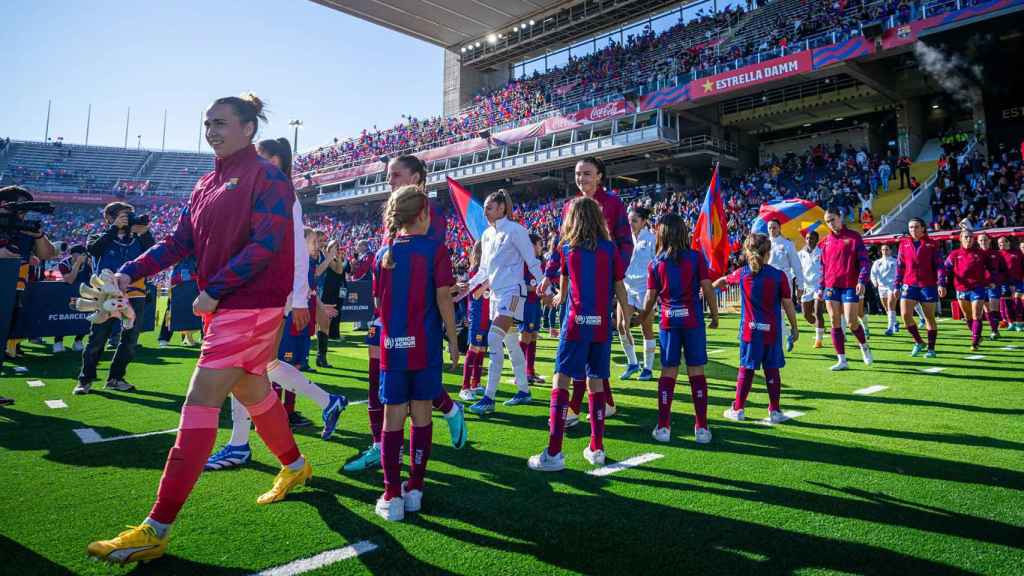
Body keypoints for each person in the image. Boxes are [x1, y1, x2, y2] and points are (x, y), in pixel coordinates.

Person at [87, 94, 311, 563]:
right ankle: (295, 465)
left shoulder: (269, 178)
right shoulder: (206, 183)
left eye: (221, 123)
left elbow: (267, 244)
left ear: (249, 128)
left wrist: (217, 288)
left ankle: (157, 527)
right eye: (207, 123)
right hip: (228, 306)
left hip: (249, 305)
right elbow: (178, 242)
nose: (211, 130)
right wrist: (131, 271)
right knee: (252, 389)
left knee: (200, 401)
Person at [344, 155, 467, 473]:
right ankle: (380, 446)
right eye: (388, 177)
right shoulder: (392, 213)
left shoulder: (430, 214)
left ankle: (447, 410)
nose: (390, 181)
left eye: (396, 175)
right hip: (387, 314)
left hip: (417, 317)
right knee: (380, 380)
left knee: (411, 388)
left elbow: (429, 273)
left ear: (418, 177)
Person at [205, 224, 349, 471]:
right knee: (264, 365)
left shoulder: (292, 255)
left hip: (267, 304)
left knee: (243, 367)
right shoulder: (290, 252)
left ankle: (240, 444)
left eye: (316, 242)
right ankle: (328, 401)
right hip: (271, 303)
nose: (316, 246)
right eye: (313, 242)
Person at [372, 185, 460, 521]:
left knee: (392, 417)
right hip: (425, 346)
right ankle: (416, 490)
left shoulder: (384, 254)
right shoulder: (435, 250)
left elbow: (380, 303)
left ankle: (391, 494)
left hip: (393, 348)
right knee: (422, 412)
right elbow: (442, 300)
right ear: (423, 215)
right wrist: (453, 340)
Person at [528, 197, 631, 471]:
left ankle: (554, 453)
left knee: (561, 380)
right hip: (600, 325)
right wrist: (626, 313)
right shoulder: (610, 250)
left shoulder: (567, 249)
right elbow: (620, 286)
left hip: (575, 324)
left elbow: (564, 288)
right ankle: (596, 447)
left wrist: (558, 297)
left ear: (572, 220)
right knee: (596, 382)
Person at [541, 157, 633, 421]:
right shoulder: (570, 205)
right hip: (574, 290)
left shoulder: (614, 203)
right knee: (582, 346)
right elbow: (562, 244)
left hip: (601, 288)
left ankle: (572, 409)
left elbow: (626, 244)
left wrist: (613, 273)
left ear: (600, 176)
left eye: (587, 174)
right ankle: (605, 403)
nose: (582, 179)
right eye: (578, 174)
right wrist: (550, 276)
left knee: (587, 345)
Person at [638, 214, 718, 444]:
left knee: (668, 371)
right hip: (693, 322)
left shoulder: (655, 263)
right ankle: (701, 428)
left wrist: (641, 317)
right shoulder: (695, 258)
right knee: (696, 371)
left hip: (668, 323)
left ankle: (663, 427)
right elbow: (707, 288)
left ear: (661, 234)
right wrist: (714, 314)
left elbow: (650, 297)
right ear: (683, 232)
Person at [463, 190, 543, 414]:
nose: (485, 211)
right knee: (509, 342)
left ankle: (489, 397)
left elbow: (532, 261)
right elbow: (483, 271)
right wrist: (465, 288)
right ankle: (524, 391)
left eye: (489, 207)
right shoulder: (487, 234)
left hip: (515, 295)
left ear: (501, 208)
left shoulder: (516, 230)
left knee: (493, 338)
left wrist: (546, 283)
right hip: (497, 296)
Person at [714, 234, 799, 424]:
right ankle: (775, 411)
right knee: (772, 370)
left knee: (746, 369)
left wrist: (707, 288)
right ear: (768, 254)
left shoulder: (743, 273)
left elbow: (723, 281)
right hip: (772, 332)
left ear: (747, 252)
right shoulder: (779, 276)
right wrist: (794, 327)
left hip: (750, 332)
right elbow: (788, 305)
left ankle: (738, 409)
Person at [74, 201, 155, 394]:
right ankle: (85, 380)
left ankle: (116, 378)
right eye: (123, 215)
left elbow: (153, 254)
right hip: (106, 295)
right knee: (98, 338)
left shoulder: (137, 238)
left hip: (136, 293)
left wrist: (144, 231)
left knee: (130, 339)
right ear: (109, 218)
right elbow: (94, 250)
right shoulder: (98, 236)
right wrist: (114, 229)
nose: (127, 219)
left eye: (129, 215)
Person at [0, 186, 59, 366]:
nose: (23, 213)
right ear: (4, 204)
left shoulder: (23, 229)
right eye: (20, 207)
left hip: (13, 293)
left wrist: (38, 236)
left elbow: (48, 254)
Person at [818, 207, 872, 371]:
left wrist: (862, 281)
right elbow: (823, 267)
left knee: (851, 322)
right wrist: (821, 287)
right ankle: (842, 360)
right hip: (831, 287)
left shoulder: (854, 237)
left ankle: (864, 346)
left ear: (840, 217)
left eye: (832, 219)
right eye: (827, 221)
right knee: (834, 321)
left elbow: (864, 262)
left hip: (849, 285)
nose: (830, 223)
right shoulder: (825, 242)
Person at [893, 217, 942, 357]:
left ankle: (931, 349)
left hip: (928, 285)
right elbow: (900, 266)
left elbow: (939, 265)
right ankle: (919, 342)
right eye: (910, 227)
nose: (913, 230)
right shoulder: (904, 244)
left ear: (923, 228)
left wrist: (941, 282)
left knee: (929, 318)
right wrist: (897, 284)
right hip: (909, 284)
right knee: (905, 315)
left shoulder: (932, 244)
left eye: (916, 227)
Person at [620, 206, 657, 381]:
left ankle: (648, 368)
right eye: (629, 221)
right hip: (627, 287)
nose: (631, 224)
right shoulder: (624, 239)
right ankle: (633, 363)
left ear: (643, 221)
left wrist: (656, 291)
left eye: (634, 220)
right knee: (621, 325)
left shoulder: (652, 239)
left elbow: (657, 265)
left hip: (645, 289)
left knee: (646, 328)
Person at [940, 228, 990, 351]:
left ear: (974, 239)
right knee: (968, 316)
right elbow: (944, 269)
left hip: (978, 288)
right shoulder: (954, 254)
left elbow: (992, 269)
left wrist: (990, 281)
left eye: (971, 237)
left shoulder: (981, 253)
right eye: (966, 237)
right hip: (961, 289)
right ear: (960, 239)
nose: (968, 239)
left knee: (976, 315)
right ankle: (977, 336)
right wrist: (941, 283)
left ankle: (975, 341)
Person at [459, 241, 489, 401]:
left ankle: (475, 382)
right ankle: (464, 387)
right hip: (477, 315)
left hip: (487, 315)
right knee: (474, 349)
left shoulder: (487, 270)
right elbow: (476, 294)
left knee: (482, 350)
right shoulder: (475, 271)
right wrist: (489, 281)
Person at [767, 219, 806, 334]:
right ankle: (784, 333)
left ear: (779, 228)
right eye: (769, 228)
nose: (772, 230)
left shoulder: (787, 244)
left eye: (774, 227)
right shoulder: (764, 244)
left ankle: (786, 333)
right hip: (767, 281)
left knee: (783, 309)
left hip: (783, 281)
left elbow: (796, 266)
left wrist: (800, 285)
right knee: (772, 310)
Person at [519, 233, 546, 384]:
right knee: (525, 336)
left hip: (536, 304)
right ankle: (520, 373)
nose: (541, 247)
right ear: (532, 246)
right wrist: (535, 289)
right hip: (526, 304)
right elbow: (520, 284)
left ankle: (530, 371)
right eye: (539, 244)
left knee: (534, 335)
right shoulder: (523, 263)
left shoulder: (539, 263)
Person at [54, 245, 91, 353]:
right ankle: (58, 341)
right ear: (74, 254)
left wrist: (91, 265)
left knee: (85, 317)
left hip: (83, 293)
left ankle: (78, 340)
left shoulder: (88, 263)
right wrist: (78, 263)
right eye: (82, 254)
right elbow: (70, 280)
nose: (84, 257)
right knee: (64, 316)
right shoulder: (64, 264)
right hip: (67, 294)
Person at [798, 230, 825, 348]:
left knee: (818, 312)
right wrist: (798, 286)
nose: (809, 240)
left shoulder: (822, 253)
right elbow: (797, 270)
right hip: (806, 287)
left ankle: (818, 340)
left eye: (812, 238)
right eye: (808, 238)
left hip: (819, 286)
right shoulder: (800, 254)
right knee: (806, 315)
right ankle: (819, 326)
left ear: (817, 240)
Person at [977, 233, 1005, 340]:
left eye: (985, 240)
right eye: (981, 240)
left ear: (989, 241)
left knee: (993, 309)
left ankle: (994, 330)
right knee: (986, 309)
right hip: (980, 285)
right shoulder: (976, 254)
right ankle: (994, 329)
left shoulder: (997, 254)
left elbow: (1003, 270)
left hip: (994, 286)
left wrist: (996, 281)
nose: (983, 242)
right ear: (978, 242)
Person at [870, 244, 898, 336]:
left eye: (886, 249)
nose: (884, 251)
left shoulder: (895, 261)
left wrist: (898, 284)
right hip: (881, 287)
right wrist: (875, 282)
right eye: (883, 250)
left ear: (890, 251)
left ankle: (890, 328)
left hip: (892, 286)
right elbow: (873, 274)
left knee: (890, 305)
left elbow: (899, 274)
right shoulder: (877, 262)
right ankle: (895, 322)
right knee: (886, 307)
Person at [997, 236, 1022, 331]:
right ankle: (1011, 323)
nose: (1001, 245)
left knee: (1017, 301)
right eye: (999, 243)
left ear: (1008, 243)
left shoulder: (1017, 253)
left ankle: (1019, 323)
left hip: (1018, 282)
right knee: (1007, 303)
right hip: (1004, 283)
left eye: (1002, 242)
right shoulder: (998, 254)